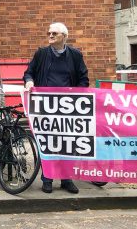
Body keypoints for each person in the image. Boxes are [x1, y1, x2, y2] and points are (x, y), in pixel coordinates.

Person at [24, 22, 89, 195]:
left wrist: (78, 96)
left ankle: (67, 179)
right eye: (49, 33)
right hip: (46, 107)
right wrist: (29, 82)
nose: (50, 36)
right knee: (48, 143)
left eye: (54, 33)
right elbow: (28, 72)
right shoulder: (41, 54)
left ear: (64, 37)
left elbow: (83, 78)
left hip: (68, 108)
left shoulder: (75, 55)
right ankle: (48, 179)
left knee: (67, 144)